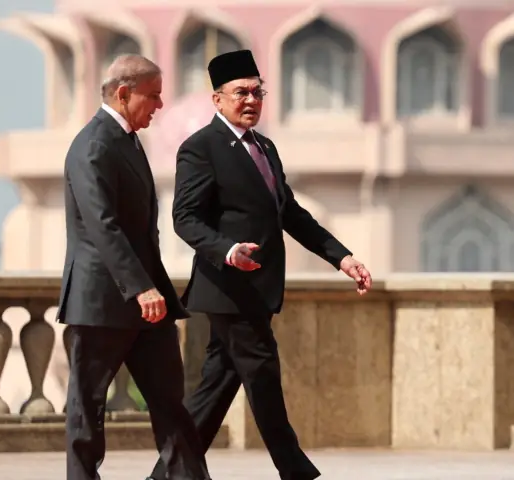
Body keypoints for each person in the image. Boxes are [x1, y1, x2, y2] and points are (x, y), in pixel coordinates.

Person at [148, 50, 373, 480]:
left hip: (259, 290)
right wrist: (228, 250)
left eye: (257, 92)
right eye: (240, 93)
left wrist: (341, 257)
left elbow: (290, 213)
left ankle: (164, 475)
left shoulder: (264, 147)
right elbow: (185, 219)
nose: (251, 100)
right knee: (265, 381)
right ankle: (298, 472)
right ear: (217, 100)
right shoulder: (201, 148)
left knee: (215, 389)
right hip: (228, 289)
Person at [56, 54, 211, 480]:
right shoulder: (92, 145)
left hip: (148, 305)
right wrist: (139, 287)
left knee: (170, 404)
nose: (160, 106)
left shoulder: (125, 140)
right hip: (103, 301)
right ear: (124, 94)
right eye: (154, 96)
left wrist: (149, 290)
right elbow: (102, 225)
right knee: (87, 408)